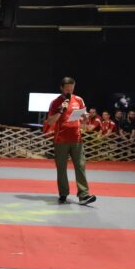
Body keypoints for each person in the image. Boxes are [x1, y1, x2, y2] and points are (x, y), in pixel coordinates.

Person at [46, 77, 97, 206]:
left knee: (80, 166)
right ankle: (63, 194)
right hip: (61, 140)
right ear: (61, 88)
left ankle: (83, 195)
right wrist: (60, 111)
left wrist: (85, 118)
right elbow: (50, 121)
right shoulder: (55, 102)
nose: (70, 91)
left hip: (77, 139)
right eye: (67, 88)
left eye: (72, 88)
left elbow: (84, 120)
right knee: (61, 168)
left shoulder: (78, 100)